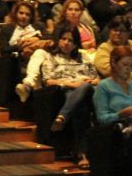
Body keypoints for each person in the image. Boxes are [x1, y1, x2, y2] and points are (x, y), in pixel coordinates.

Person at [42, 24, 100, 167]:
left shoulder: (83, 57)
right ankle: (82, 153)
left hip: (89, 90)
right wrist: (71, 84)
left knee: (84, 87)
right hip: (67, 91)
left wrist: (88, 82)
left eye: (71, 40)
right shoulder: (51, 57)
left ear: (76, 44)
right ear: (58, 40)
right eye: (63, 39)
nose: (66, 43)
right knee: (81, 108)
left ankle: (62, 116)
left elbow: (97, 78)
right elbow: (48, 81)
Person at [93, 45, 132, 126]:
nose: (128, 69)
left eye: (131, 66)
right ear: (113, 63)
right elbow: (101, 118)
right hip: (115, 130)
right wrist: (121, 114)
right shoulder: (103, 86)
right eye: (125, 64)